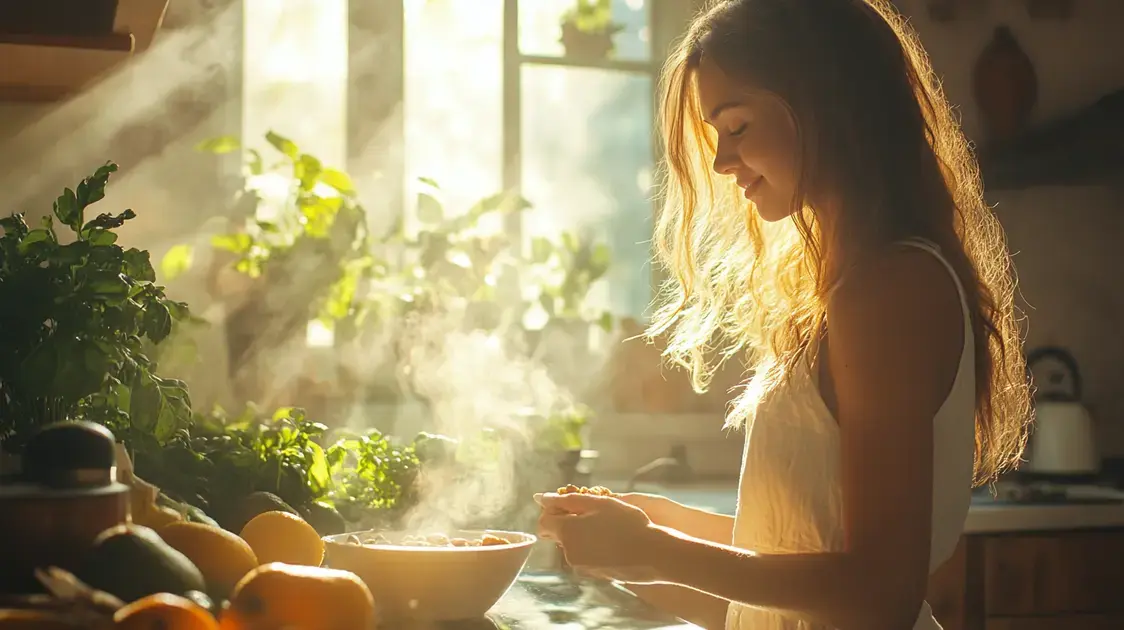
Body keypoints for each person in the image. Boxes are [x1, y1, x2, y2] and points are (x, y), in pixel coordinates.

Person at [535, 1, 1033, 629]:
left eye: (737, 126)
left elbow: (882, 591)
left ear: (826, 106)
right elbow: (789, 572)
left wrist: (654, 549)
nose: (720, 161)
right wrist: (650, 530)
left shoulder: (891, 289)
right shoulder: (852, 285)